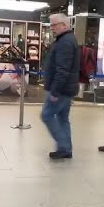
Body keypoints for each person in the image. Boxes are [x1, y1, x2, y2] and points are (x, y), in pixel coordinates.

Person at [41, 13, 79, 160]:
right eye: (51, 25)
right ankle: (66, 149)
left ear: (64, 25)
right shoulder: (67, 40)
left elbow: (62, 69)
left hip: (61, 89)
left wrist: (55, 91)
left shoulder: (65, 42)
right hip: (66, 88)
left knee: (47, 115)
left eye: (54, 25)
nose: (52, 28)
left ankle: (63, 147)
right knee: (63, 118)